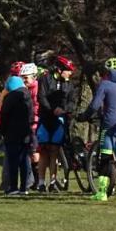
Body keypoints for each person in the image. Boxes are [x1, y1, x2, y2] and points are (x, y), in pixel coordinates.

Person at [81, 57, 116, 201]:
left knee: (105, 156)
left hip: (109, 125)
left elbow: (95, 105)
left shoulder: (105, 84)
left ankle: (102, 192)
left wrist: (84, 116)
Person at [35, 56, 77, 192]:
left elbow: (71, 101)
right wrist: (52, 110)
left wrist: (64, 110)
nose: (70, 73)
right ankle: (41, 182)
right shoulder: (45, 79)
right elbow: (41, 97)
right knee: (44, 151)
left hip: (60, 120)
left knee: (54, 151)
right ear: (60, 70)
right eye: (68, 71)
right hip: (46, 118)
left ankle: (53, 182)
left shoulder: (69, 84)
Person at [1, 74, 35, 195]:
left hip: (12, 132)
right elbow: (31, 115)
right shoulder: (27, 96)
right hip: (25, 132)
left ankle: (13, 186)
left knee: (13, 160)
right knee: (24, 160)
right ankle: (24, 187)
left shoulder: (10, 97)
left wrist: (2, 131)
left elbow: (4, 116)